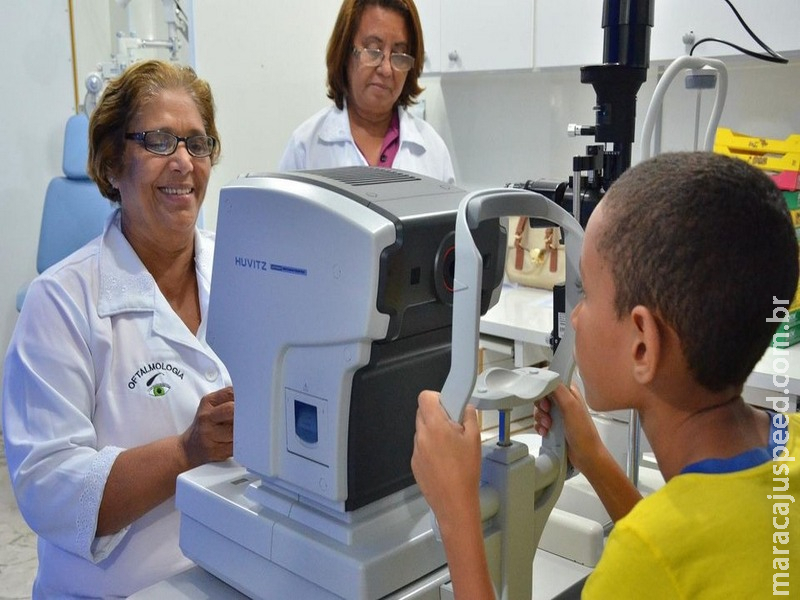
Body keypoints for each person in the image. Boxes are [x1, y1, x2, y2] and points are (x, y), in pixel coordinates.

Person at [411, 151, 800, 599]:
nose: (574, 317)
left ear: (642, 344)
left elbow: (661, 563)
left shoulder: (641, 563)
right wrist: (593, 457)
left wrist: (456, 514)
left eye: (587, 294)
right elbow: (690, 562)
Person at [2, 59, 234, 599]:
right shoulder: (60, 302)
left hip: (235, 576)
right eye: (158, 141)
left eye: (197, 144)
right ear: (111, 165)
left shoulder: (244, 271)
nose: (183, 162)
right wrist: (186, 451)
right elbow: (48, 489)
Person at [278, 0, 455, 183]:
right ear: (345, 54)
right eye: (373, 50)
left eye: (399, 54)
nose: (386, 70)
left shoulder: (433, 150)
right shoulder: (306, 147)